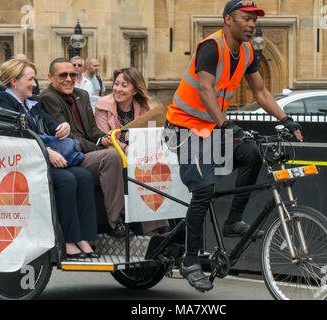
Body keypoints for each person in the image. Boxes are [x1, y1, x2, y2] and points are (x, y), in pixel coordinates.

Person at [165, 0, 303, 291]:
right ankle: (190, 259)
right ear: (229, 19)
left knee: (251, 154)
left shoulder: (248, 51)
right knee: (203, 189)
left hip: (212, 129)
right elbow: (204, 88)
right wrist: (225, 124)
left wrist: (286, 118)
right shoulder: (210, 47)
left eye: (254, 19)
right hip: (183, 128)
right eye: (246, 18)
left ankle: (233, 220)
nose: (252, 24)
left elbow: (261, 91)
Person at [0, 58, 99, 260]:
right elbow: (17, 135)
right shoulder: (4, 101)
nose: (35, 84)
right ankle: (68, 240)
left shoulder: (32, 102)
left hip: (40, 160)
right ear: (14, 81)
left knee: (84, 176)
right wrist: (47, 151)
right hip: (22, 164)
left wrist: (63, 127)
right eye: (30, 79)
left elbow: (49, 123)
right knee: (67, 180)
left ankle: (85, 237)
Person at [40, 58, 128, 238]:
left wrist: (102, 138)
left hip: (87, 152)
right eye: (63, 75)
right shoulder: (48, 98)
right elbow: (69, 137)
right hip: (71, 156)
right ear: (50, 77)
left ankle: (149, 224)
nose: (69, 79)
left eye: (73, 74)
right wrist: (100, 149)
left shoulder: (82, 94)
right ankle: (116, 221)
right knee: (111, 156)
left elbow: (92, 129)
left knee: (126, 155)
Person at [95, 67, 169, 235]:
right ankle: (118, 222)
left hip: (139, 154)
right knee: (134, 162)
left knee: (152, 164)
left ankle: (157, 226)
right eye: (116, 84)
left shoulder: (147, 108)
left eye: (124, 85)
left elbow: (152, 135)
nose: (118, 89)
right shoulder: (103, 105)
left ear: (135, 90)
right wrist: (128, 149)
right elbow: (105, 138)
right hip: (114, 153)